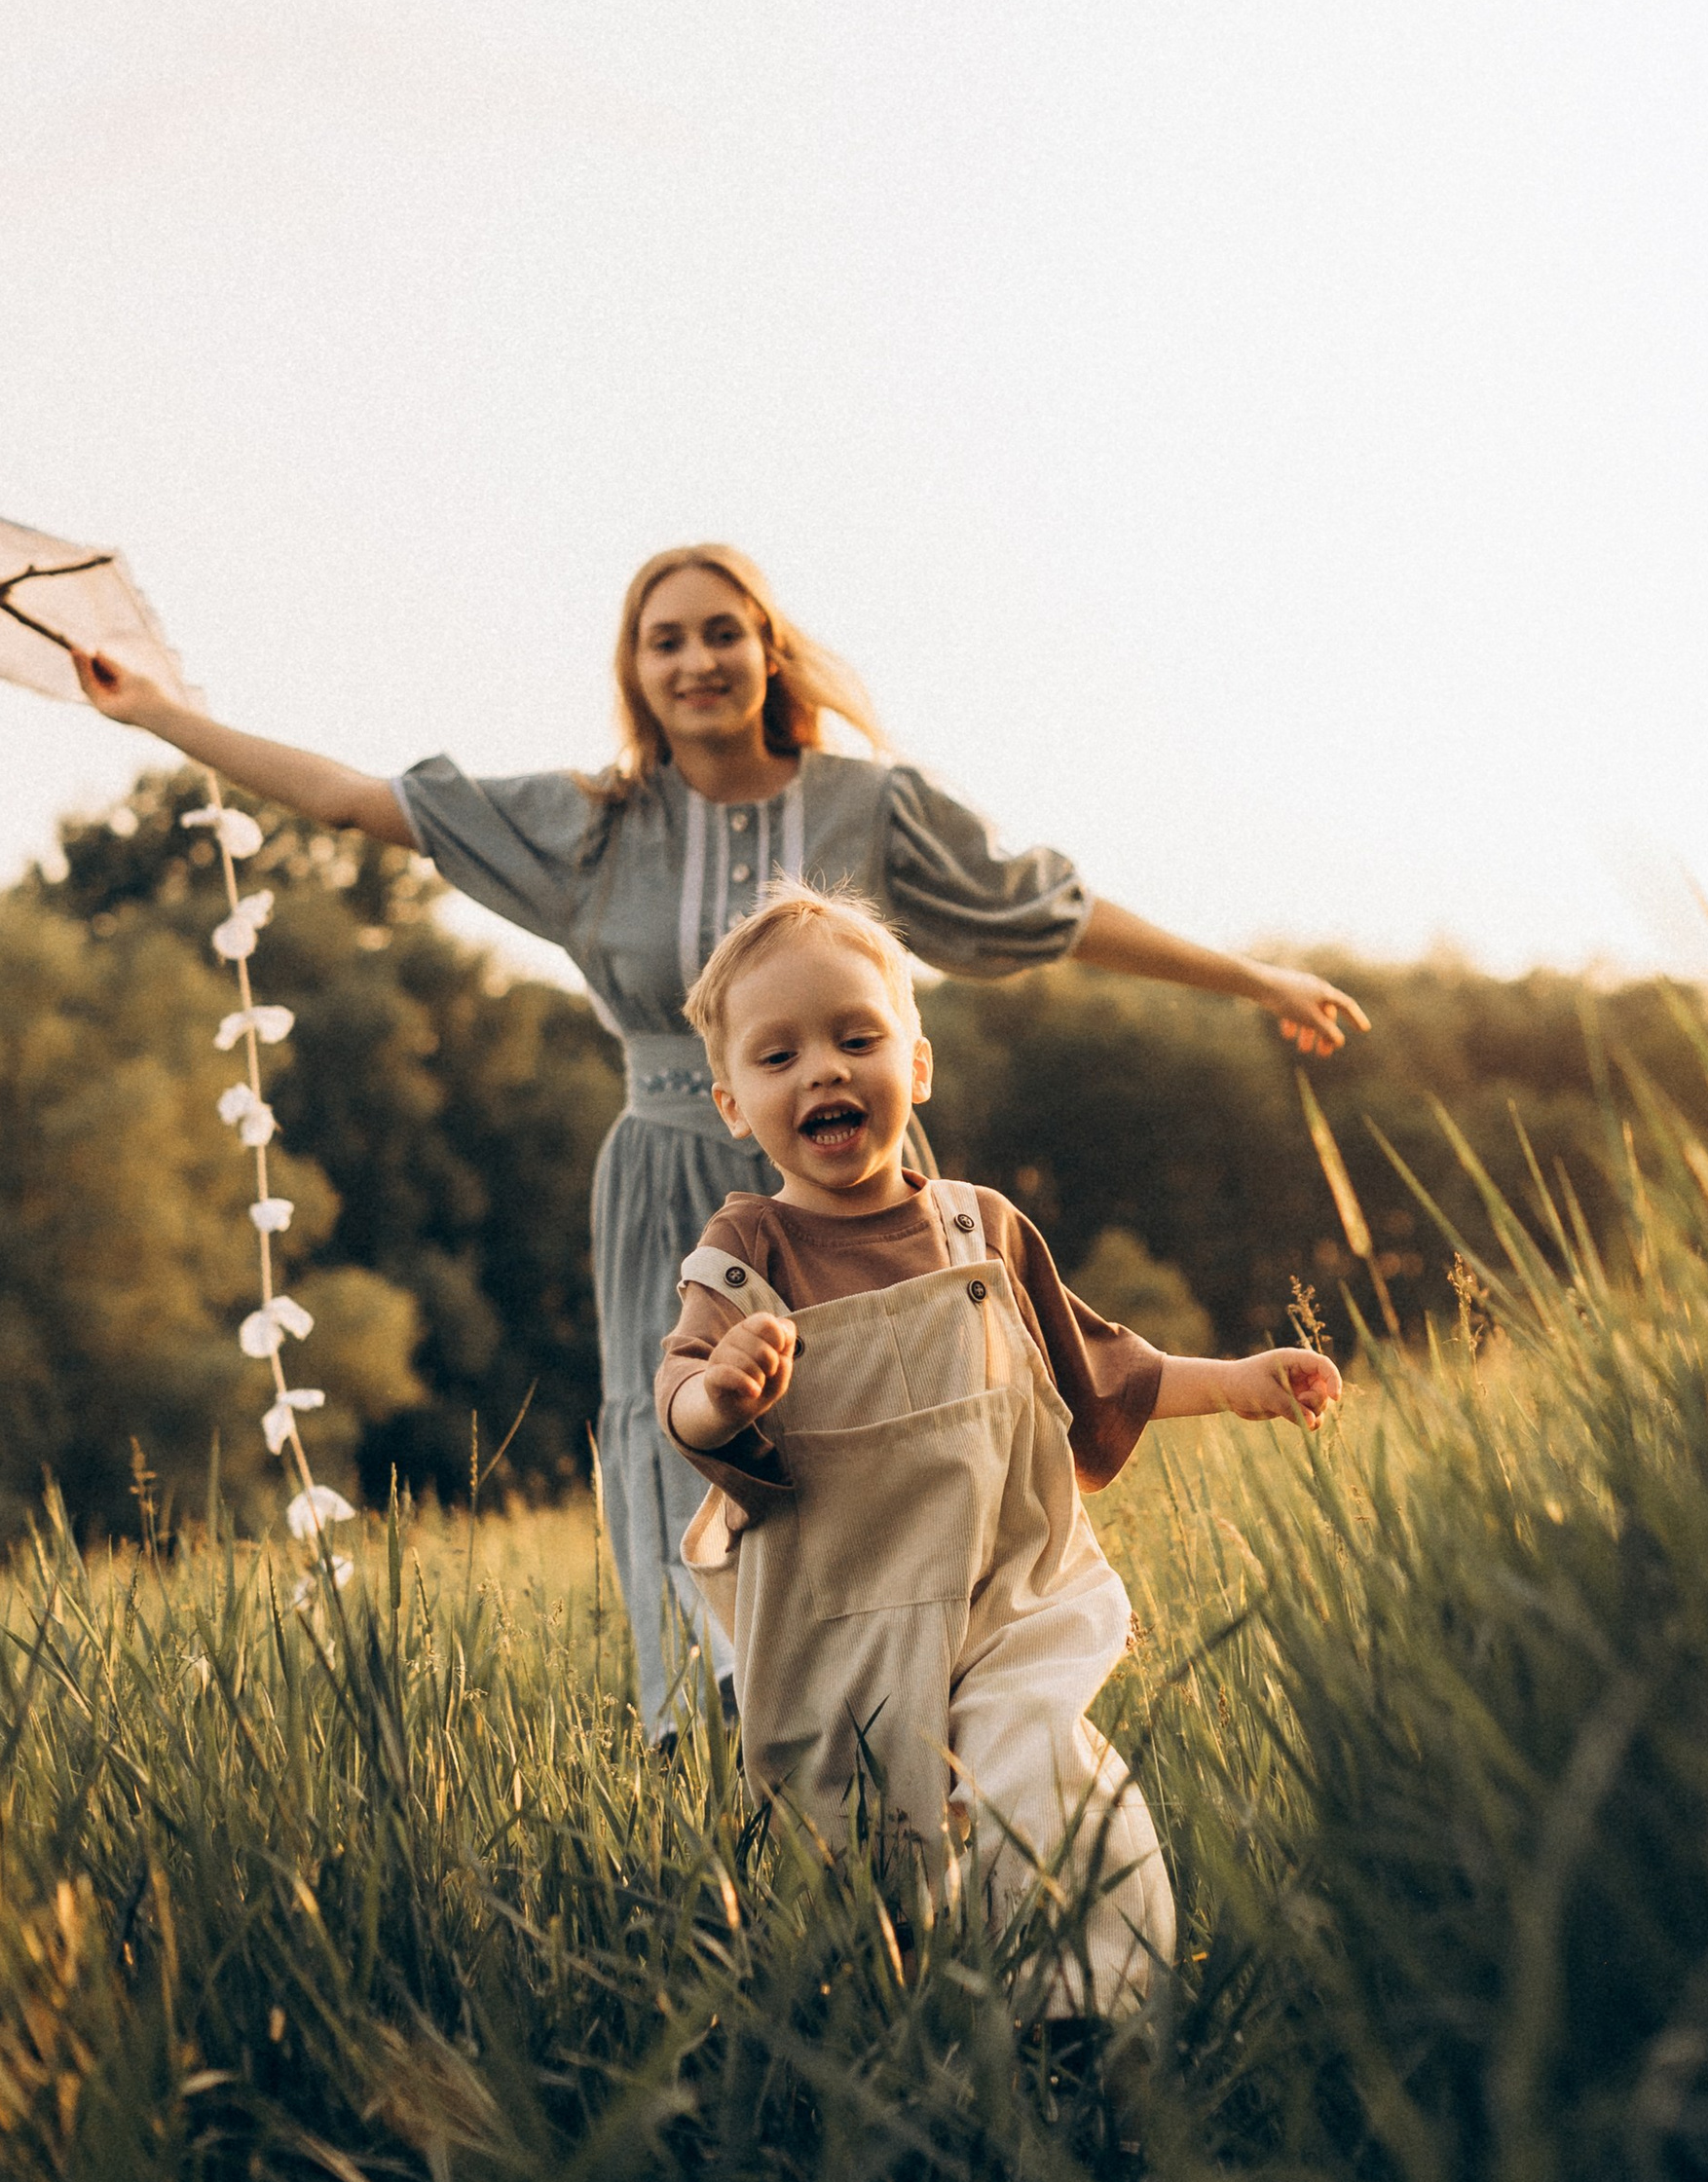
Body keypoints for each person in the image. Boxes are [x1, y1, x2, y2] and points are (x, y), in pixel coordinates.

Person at [72, 543, 1365, 1737]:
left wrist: (1254, 982)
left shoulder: (874, 809)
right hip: (665, 1185)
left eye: (722, 633)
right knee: (682, 1436)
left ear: (770, 652)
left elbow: (1049, 912)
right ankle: (718, 1739)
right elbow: (358, 804)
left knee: (924, 1414)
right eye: (663, 640)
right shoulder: (594, 826)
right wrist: (157, 713)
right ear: (635, 673)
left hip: (856, 1181)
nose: (695, 660)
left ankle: (954, 1696)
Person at [658, 882, 1339, 2014]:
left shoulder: (979, 1228)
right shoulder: (747, 1248)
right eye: (779, 1057)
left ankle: (1091, 2010)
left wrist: (1235, 1385)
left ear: (915, 1066)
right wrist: (718, 1400)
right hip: (841, 1608)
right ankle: (902, 2027)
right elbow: (679, 1383)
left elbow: (1096, 1369)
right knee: (862, 1849)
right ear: (734, 1102)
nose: (823, 1069)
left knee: (1044, 1772)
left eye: (855, 1036)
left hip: (1003, 1589)